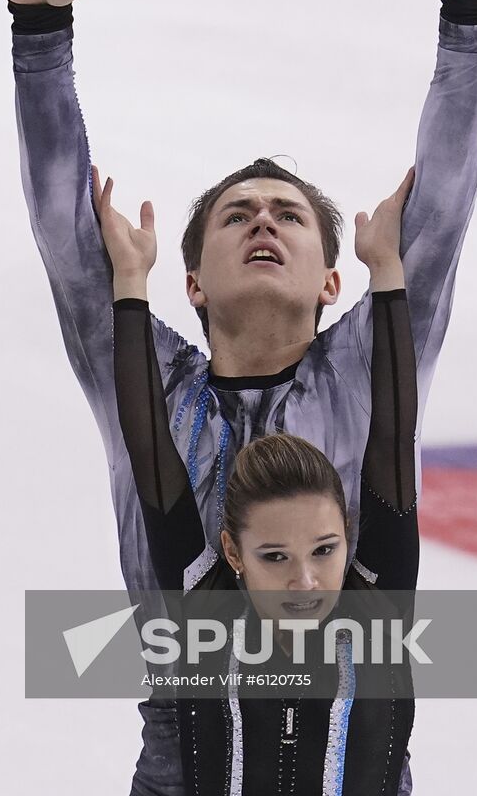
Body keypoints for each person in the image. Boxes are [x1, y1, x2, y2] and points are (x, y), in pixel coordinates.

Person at [0, 0, 477, 794]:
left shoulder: (363, 373)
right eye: (237, 215)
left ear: (332, 278)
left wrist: (470, 19)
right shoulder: (149, 388)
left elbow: (435, 223)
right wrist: (40, 31)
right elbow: (72, 247)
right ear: (191, 282)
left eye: (288, 215)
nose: (264, 220)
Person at [107, 164, 419, 794]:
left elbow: (392, 435)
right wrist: (130, 282)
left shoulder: (378, 608)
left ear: (349, 538)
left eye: (324, 551)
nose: (304, 580)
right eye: (274, 556)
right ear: (233, 554)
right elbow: (147, 447)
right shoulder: (204, 612)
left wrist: (387, 270)